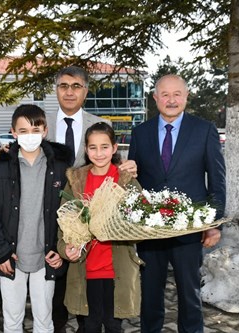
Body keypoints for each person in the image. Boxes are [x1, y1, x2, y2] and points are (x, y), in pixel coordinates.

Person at [127, 74, 226, 333]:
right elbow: (133, 185)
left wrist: (214, 224)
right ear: (155, 98)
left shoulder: (204, 130)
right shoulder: (140, 133)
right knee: (150, 296)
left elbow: (217, 182)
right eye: (165, 94)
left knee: (190, 295)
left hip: (190, 231)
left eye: (177, 94)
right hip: (150, 231)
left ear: (186, 96)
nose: (171, 100)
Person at [47, 65, 139, 333]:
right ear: (56, 90)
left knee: (108, 318)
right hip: (57, 221)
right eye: (64, 86)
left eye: (76, 86)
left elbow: (122, 180)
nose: (69, 91)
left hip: (106, 251)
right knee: (62, 303)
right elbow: (24, 149)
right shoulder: (42, 124)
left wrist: (128, 172)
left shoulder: (101, 125)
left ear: (86, 90)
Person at [0, 104, 70, 333]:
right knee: (12, 321)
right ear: (13, 132)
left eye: (35, 130)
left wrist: (60, 251)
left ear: (45, 131)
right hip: (11, 257)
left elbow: (71, 211)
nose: (30, 136)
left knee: (44, 321)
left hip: (46, 257)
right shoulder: (0, 167)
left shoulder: (60, 167)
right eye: (23, 131)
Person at [57, 122, 143, 333]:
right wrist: (64, 248)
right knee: (89, 325)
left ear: (115, 148)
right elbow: (64, 220)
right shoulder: (76, 179)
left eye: (104, 146)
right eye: (93, 147)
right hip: (85, 269)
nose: (99, 153)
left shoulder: (126, 180)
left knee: (114, 325)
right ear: (86, 150)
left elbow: (142, 221)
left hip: (116, 269)